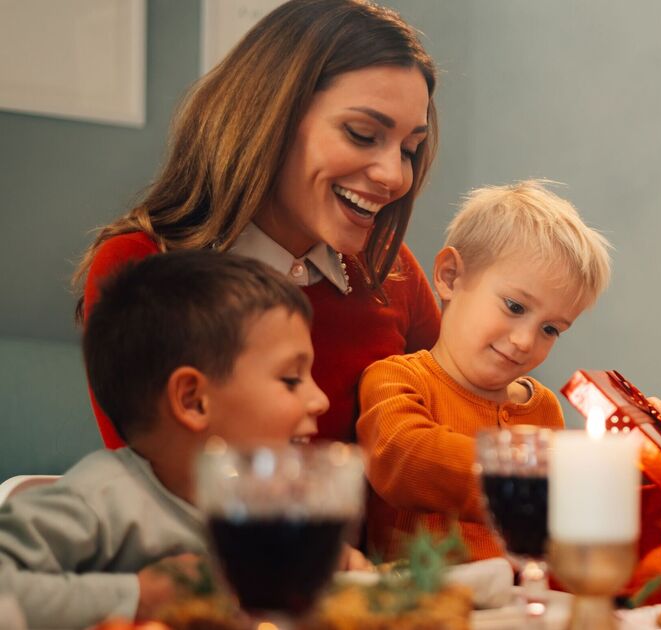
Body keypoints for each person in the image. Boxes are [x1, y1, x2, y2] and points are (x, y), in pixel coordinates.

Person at [75, 0, 441, 447]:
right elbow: (157, 495)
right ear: (271, 116)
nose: (393, 175)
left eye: (408, 149)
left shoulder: (392, 272)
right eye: (362, 134)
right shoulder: (140, 268)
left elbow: (459, 425)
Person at [0, 251, 359, 627]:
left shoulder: (269, 515)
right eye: (290, 379)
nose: (320, 400)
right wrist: (138, 595)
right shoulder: (104, 500)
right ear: (193, 400)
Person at [356, 181, 612, 561]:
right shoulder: (398, 379)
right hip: (425, 609)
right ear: (449, 276)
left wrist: (628, 465)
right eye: (514, 306)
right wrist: (532, 473)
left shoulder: (542, 410)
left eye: (550, 329)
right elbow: (404, 456)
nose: (526, 341)